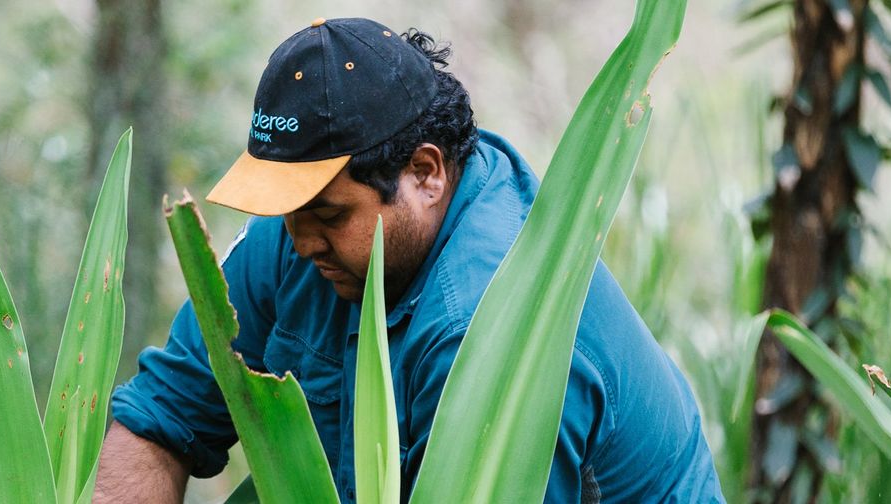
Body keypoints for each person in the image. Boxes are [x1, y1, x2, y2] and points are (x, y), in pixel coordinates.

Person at [96, 17, 722, 503]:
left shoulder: (478, 323)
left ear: (425, 172)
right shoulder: (295, 237)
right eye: (286, 211)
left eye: (330, 215)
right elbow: (160, 420)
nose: (301, 241)